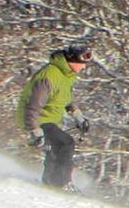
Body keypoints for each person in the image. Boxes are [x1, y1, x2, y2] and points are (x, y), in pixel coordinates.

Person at [17, 46, 93, 189]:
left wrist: (78, 116)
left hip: (47, 119)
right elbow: (33, 103)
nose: (83, 67)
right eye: (81, 63)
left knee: (54, 148)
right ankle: (61, 183)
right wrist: (34, 129)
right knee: (65, 143)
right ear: (71, 60)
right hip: (36, 119)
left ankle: (49, 182)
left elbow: (65, 98)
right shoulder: (50, 75)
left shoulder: (66, 76)